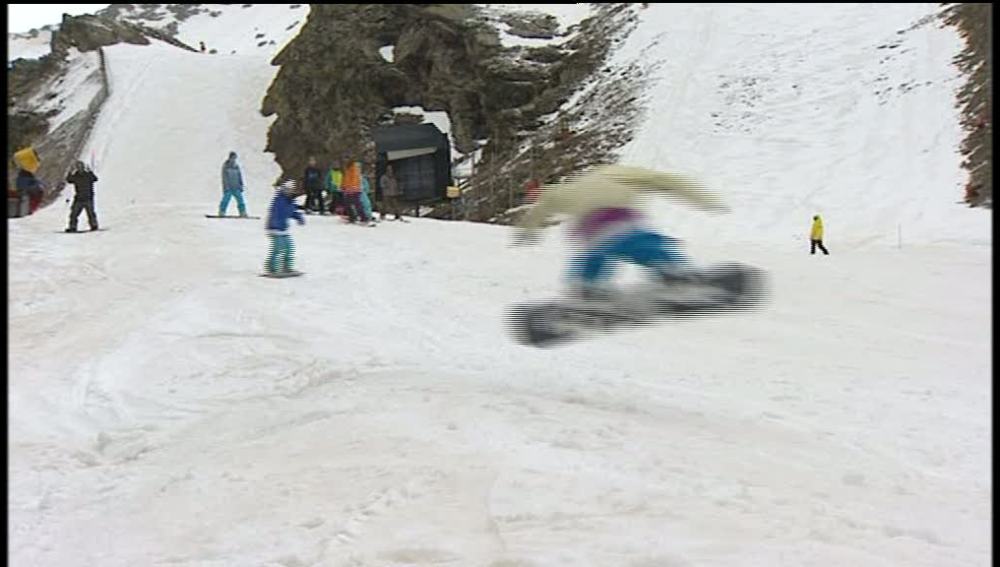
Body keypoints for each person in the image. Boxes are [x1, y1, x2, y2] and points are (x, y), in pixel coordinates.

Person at [516, 164, 727, 297]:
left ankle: (587, 284)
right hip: (619, 220)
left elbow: (540, 209)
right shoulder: (618, 173)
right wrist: (702, 198)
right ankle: (670, 270)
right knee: (644, 244)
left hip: (590, 231)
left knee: (594, 255)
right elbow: (665, 181)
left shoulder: (568, 188)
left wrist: (527, 232)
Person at [265, 180, 305, 275]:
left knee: (289, 248)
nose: (290, 192)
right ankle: (272, 269)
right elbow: (276, 212)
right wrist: (274, 224)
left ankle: (287, 267)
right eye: (288, 190)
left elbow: (291, 211)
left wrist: (298, 217)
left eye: (291, 190)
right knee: (277, 249)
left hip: (283, 229)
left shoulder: (289, 200)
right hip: (275, 228)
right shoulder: (279, 200)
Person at [65, 161, 99, 232]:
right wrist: (70, 172)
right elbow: (69, 180)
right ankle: (73, 227)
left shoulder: (88, 175)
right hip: (79, 198)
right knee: (73, 214)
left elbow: (95, 179)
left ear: (83, 167)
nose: (80, 168)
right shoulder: (76, 176)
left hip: (88, 197)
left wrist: (90, 172)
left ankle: (94, 225)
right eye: (78, 167)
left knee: (91, 213)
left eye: (81, 167)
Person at [340, 158, 371, 225]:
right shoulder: (347, 169)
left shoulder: (353, 168)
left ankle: (364, 218)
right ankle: (352, 217)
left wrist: (352, 187)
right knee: (348, 203)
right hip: (349, 189)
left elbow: (354, 178)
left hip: (354, 189)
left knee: (357, 204)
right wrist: (343, 186)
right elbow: (345, 179)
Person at [219, 151, 248, 217]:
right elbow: (224, 178)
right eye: (233, 157)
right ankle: (222, 212)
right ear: (230, 158)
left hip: (236, 187)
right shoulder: (226, 166)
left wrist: (241, 185)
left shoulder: (236, 166)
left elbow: (240, 176)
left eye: (235, 158)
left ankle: (243, 212)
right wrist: (226, 187)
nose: (234, 159)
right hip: (229, 187)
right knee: (225, 200)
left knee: (240, 200)